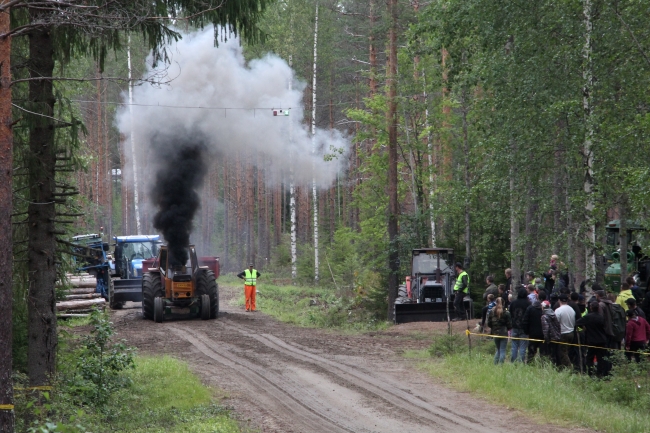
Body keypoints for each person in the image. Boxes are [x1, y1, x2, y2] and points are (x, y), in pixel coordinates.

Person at [576, 302, 611, 376]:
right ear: (598, 308)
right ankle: (600, 373)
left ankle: (590, 373)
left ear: (591, 308)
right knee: (601, 358)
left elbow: (577, 323)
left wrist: (584, 327)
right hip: (602, 340)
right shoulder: (602, 317)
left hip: (592, 341)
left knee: (589, 358)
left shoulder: (588, 317)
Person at [523, 291, 546, 362]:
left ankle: (530, 363)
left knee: (531, 351)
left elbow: (525, 321)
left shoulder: (530, 308)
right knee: (543, 352)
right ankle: (543, 364)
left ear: (537, 297)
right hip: (543, 333)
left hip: (533, 333)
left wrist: (526, 331)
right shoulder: (547, 309)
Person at [487, 298, 512, 364]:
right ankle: (500, 365)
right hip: (503, 333)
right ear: (504, 303)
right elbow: (509, 324)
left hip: (495, 333)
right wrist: (508, 329)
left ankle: (495, 364)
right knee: (502, 350)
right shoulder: (506, 312)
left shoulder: (492, 311)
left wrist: (493, 327)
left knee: (498, 349)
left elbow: (489, 323)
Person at [554, 294, 576, 368]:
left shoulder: (558, 310)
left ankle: (568, 367)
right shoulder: (571, 309)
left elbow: (555, 323)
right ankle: (565, 366)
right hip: (571, 332)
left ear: (559, 300)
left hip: (563, 333)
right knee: (566, 351)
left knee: (562, 352)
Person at [509, 288, 530, 363]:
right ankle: (521, 362)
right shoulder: (528, 304)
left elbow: (510, 313)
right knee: (523, 346)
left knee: (514, 346)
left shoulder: (513, 303)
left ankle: (513, 362)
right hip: (524, 328)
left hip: (514, 326)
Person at [541, 300, 562, 365]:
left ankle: (553, 366)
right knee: (557, 353)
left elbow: (546, 329)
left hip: (551, 338)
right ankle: (559, 366)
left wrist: (547, 339)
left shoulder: (544, 317)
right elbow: (558, 326)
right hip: (557, 337)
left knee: (551, 354)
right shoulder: (554, 314)